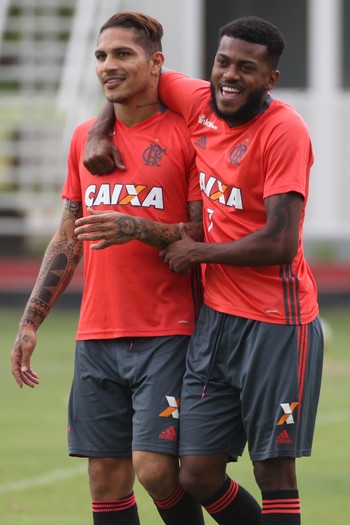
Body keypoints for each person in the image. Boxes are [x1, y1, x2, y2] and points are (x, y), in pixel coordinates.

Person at [82, 15, 324, 525]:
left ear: (270, 80)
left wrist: (200, 253)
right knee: (196, 472)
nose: (229, 76)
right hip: (215, 320)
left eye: (246, 68)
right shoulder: (200, 101)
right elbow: (126, 78)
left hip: (277, 324)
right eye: (222, 62)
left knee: (273, 468)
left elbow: (281, 241)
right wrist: (99, 132)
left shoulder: (283, 131)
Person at [10, 12, 205, 525]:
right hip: (96, 335)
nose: (107, 66)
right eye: (101, 55)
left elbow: (204, 235)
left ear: (155, 62)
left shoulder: (188, 135)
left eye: (123, 54)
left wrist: (138, 227)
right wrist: (30, 321)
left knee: (156, 470)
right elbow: (66, 236)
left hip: (167, 330)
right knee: (105, 478)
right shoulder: (84, 138)